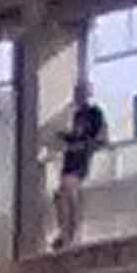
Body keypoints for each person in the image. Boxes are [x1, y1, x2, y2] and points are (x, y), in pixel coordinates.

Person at [52, 92, 109, 250]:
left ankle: (72, 232)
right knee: (62, 193)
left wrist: (86, 145)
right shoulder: (77, 114)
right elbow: (76, 134)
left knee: (69, 189)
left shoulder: (95, 113)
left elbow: (101, 137)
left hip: (80, 157)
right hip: (72, 156)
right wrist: (68, 138)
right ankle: (65, 231)